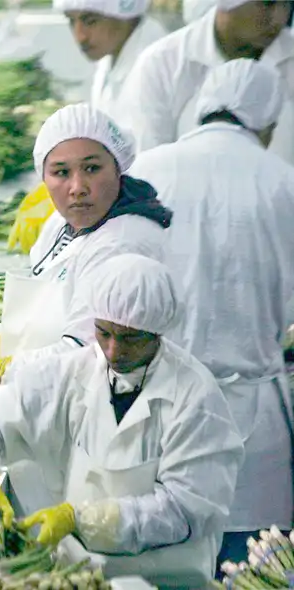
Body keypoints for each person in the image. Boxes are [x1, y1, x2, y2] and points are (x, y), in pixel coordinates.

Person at [0, 254, 244, 586]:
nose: (113, 351)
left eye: (130, 338)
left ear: (157, 332)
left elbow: (183, 510)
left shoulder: (196, 399)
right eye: (104, 333)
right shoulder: (75, 370)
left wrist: (82, 519)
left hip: (165, 575)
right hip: (81, 573)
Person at [128, 58, 294, 569]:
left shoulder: (147, 170)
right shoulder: (283, 182)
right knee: (251, 566)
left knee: (158, 560)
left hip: (152, 412)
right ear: (268, 123)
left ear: (201, 108)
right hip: (253, 426)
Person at [0, 104, 172, 399]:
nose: (77, 187)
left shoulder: (123, 245)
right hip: (53, 389)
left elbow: (89, 356)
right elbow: (47, 310)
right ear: (43, 177)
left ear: (118, 167)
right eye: (61, 172)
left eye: (92, 168)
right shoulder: (61, 223)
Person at [5, 0, 166, 257]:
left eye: (90, 20)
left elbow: (151, 167)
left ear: (124, 11)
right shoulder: (109, 60)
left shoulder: (156, 65)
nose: (79, 35)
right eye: (72, 21)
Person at [119, 0, 294, 163]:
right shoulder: (162, 64)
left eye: (287, 2)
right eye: (267, 3)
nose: (279, 17)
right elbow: (148, 166)